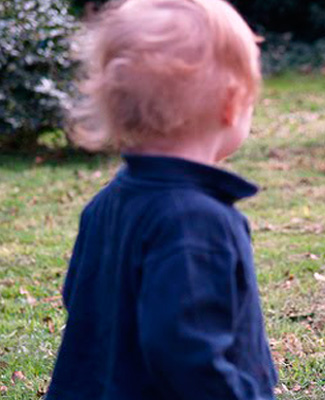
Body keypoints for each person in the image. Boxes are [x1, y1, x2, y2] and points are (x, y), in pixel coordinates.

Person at [46, 0, 277, 399]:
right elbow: (190, 357)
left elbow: (79, 298)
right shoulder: (198, 222)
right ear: (230, 104)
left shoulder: (105, 204)